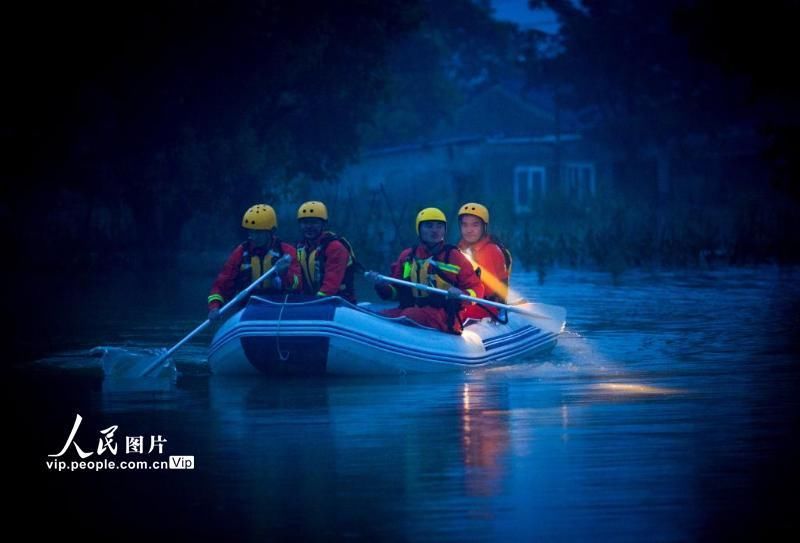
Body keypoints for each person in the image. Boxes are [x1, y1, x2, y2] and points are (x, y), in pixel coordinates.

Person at [369, 207, 484, 334]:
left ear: (444, 230)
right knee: (377, 314)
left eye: (439, 226)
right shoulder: (407, 256)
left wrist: (463, 294)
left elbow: (477, 289)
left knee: (410, 314)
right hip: (412, 308)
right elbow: (396, 292)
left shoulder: (454, 256)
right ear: (419, 229)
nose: (435, 231)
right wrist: (381, 286)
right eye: (429, 226)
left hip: (443, 315)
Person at [207, 204, 302, 320]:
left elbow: (297, 285)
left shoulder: (286, 252)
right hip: (248, 309)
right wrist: (214, 306)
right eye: (251, 232)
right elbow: (221, 284)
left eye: (259, 232)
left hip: (279, 307)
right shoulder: (241, 252)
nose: (254, 237)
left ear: (271, 232)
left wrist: (284, 274)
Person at [457, 202, 513, 321]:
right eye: (465, 225)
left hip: (488, 305)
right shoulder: (459, 248)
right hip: (469, 300)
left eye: (475, 225)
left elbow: (486, 291)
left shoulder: (491, 250)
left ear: (484, 227)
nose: (469, 230)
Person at [295, 200, 358, 303]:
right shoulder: (301, 248)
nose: (309, 227)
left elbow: (331, 283)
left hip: (340, 303)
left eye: (314, 222)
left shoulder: (335, 247)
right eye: (305, 223)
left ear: (323, 224)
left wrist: (316, 301)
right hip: (313, 301)